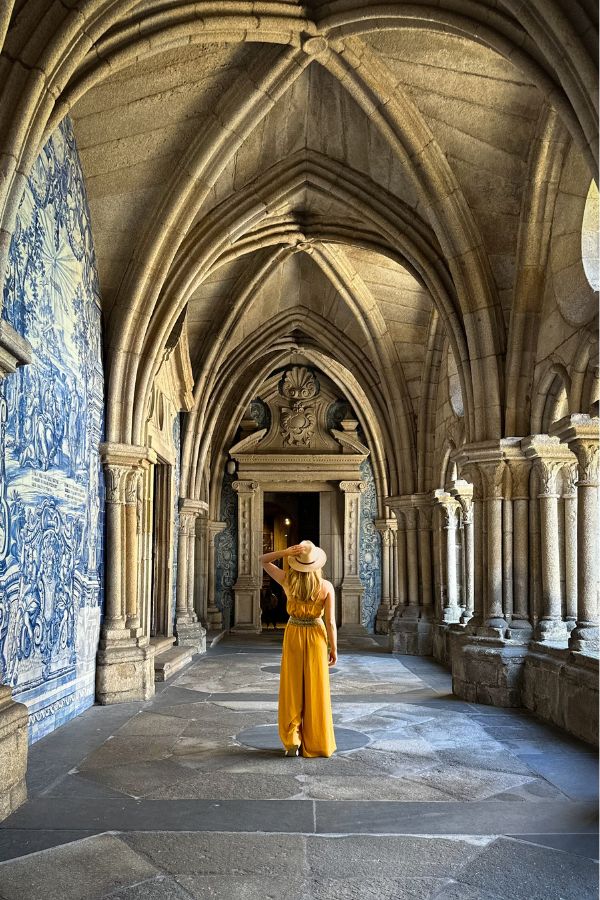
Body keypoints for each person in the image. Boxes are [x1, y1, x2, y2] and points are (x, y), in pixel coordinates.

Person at [260, 540, 337, 758]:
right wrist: (334, 648)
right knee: (316, 687)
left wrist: (285, 552)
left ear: (296, 562)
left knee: (292, 686)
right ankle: (318, 741)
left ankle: (292, 740)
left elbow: (262, 560)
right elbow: (330, 622)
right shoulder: (326, 586)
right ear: (317, 564)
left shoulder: (287, 580)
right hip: (316, 635)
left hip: (293, 633)